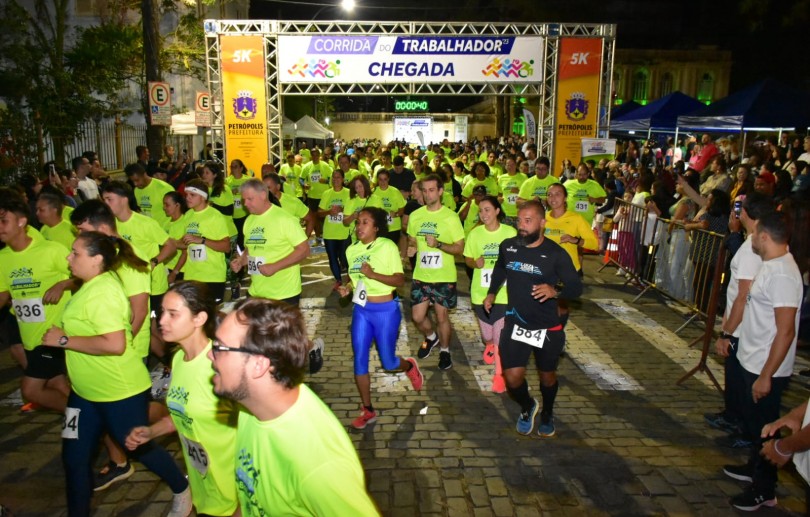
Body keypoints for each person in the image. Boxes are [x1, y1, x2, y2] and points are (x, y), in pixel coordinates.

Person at [41, 231, 191, 517]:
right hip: (84, 393)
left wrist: (63, 340)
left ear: (97, 259)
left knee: (137, 447)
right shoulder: (89, 285)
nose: (68, 257)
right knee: (74, 459)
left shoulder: (104, 292)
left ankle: (181, 488)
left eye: (75, 253)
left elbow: (115, 344)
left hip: (119, 390)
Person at [208, 298, 379, 515]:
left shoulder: (319, 467)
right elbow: (253, 496)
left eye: (219, 348)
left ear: (259, 364)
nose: (209, 355)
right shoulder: (252, 408)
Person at [125, 281, 239, 516]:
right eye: (162, 312)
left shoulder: (219, 367)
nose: (161, 321)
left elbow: (255, 434)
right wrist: (152, 432)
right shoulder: (178, 359)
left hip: (233, 495)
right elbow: (182, 412)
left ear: (199, 319)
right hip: (205, 490)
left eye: (173, 314)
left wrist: (242, 505)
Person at [722, 210, 803, 511]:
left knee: (766, 430)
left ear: (765, 237)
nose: (751, 238)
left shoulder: (782, 274)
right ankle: (754, 468)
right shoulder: (771, 265)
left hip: (764, 368)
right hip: (751, 359)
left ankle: (764, 488)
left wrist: (767, 375)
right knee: (756, 428)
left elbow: (785, 332)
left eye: (755, 234)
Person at [484, 200, 582, 437]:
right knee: (512, 377)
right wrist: (492, 292)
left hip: (547, 327)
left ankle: (547, 412)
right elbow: (500, 268)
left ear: (542, 223)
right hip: (516, 322)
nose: (522, 226)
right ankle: (528, 406)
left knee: (547, 376)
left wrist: (554, 291)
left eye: (528, 221)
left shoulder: (556, 254)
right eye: (519, 221)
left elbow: (577, 287)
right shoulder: (508, 246)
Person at [337, 207, 424, 429]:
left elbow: (399, 280)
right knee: (359, 359)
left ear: (376, 227)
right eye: (358, 222)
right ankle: (367, 409)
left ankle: (409, 366)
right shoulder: (352, 250)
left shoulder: (387, 246)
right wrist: (347, 288)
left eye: (365, 222)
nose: (359, 227)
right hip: (362, 311)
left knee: (388, 361)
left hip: (386, 310)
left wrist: (373, 274)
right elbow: (353, 279)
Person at [708, 193, 772, 448]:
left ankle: (744, 427)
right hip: (741, 324)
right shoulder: (751, 243)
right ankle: (736, 418)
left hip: (742, 327)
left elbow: (743, 294)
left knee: (741, 380)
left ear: (744, 213)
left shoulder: (752, 248)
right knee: (735, 377)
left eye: (739, 209)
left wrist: (727, 332)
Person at [0, 190, 72, 412]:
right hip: (30, 338)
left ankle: (84, 418)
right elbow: (4, 293)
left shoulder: (52, 250)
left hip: (53, 336)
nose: (0, 227)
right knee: (58, 385)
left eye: (4, 221)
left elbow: (85, 275)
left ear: (22, 222)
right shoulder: (3, 258)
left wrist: (62, 285)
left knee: (31, 390)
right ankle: (90, 424)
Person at [406, 174, 465, 370]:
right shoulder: (416, 216)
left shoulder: (451, 217)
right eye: (424, 190)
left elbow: (460, 248)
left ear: (440, 191)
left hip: (443, 276)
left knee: (441, 317)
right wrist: (412, 247)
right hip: (421, 275)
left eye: (432, 190)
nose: (428, 194)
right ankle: (431, 338)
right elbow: (412, 239)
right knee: (417, 317)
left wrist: (438, 244)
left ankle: (445, 351)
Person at [463, 196, 516, 393]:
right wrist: (474, 263)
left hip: (503, 294)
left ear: (496, 211)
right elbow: (467, 258)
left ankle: (498, 375)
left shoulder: (509, 233)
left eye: (487, 210)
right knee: (487, 335)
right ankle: (489, 345)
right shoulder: (475, 234)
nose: (483, 214)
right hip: (480, 293)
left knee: (499, 336)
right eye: (480, 211)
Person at [232, 179, 310, 306]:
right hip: (256, 293)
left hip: (284, 295)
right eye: (243, 199)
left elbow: (304, 250)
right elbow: (250, 249)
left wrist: (275, 266)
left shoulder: (285, 219)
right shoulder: (249, 221)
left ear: (263, 195)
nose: (245, 203)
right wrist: (241, 261)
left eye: (249, 199)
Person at [178, 179, 231, 302]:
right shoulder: (188, 215)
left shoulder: (215, 216)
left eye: (192, 195)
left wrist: (201, 240)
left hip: (212, 276)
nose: (188, 198)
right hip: (191, 275)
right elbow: (185, 242)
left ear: (203, 197)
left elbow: (226, 246)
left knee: (211, 317)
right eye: (187, 195)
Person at [317, 168, 352, 290]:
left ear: (343, 179)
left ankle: (350, 276)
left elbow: (354, 210)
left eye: (338, 177)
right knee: (332, 257)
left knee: (345, 257)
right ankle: (338, 280)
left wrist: (343, 209)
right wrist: (329, 211)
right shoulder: (327, 193)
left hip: (344, 231)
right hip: (329, 233)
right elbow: (319, 213)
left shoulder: (349, 193)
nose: (335, 180)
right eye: (333, 177)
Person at [262, 172, 314, 239]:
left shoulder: (292, 202)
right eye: (263, 188)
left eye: (268, 188)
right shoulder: (260, 204)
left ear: (278, 187)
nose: (265, 191)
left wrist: (304, 239)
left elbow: (311, 219)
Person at [125, 163, 175, 228]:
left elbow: (177, 212)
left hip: (165, 230)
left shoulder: (164, 188)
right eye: (132, 181)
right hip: (149, 231)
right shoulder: (136, 190)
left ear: (144, 174)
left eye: (137, 180)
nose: (135, 184)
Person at [302, 148, 333, 244]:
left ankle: (326, 236)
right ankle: (318, 237)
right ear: (311, 156)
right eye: (313, 155)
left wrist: (326, 181)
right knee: (314, 218)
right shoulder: (307, 167)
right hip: (312, 196)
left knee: (325, 218)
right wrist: (304, 184)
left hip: (324, 196)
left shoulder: (325, 166)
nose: (315, 157)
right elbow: (301, 179)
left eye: (316, 155)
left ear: (319, 155)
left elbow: (332, 179)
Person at [369, 168, 407, 245]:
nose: (383, 182)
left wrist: (395, 214)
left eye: (385, 179)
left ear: (388, 179)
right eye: (380, 179)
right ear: (377, 180)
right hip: (379, 228)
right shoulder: (373, 192)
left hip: (394, 228)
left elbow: (402, 209)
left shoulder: (395, 191)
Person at [563, 163, 607, 228]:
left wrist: (595, 200)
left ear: (588, 174)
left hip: (586, 222)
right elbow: (559, 194)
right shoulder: (568, 184)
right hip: (570, 220)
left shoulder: (594, 185)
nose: (582, 177)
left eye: (584, 174)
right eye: (580, 174)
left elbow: (603, 199)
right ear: (576, 173)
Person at [162, 192, 188, 285]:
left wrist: (174, 273)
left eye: (167, 205)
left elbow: (185, 252)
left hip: (180, 270)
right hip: (165, 267)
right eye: (163, 204)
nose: (164, 207)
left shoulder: (185, 223)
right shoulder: (165, 223)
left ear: (177, 205)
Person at [226, 159, 251, 249]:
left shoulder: (248, 180)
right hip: (232, 215)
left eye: (235, 166)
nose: (233, 169)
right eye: (231, 167)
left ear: (241, 168)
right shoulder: (227, 181)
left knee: (243, 239)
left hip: (245, 214)